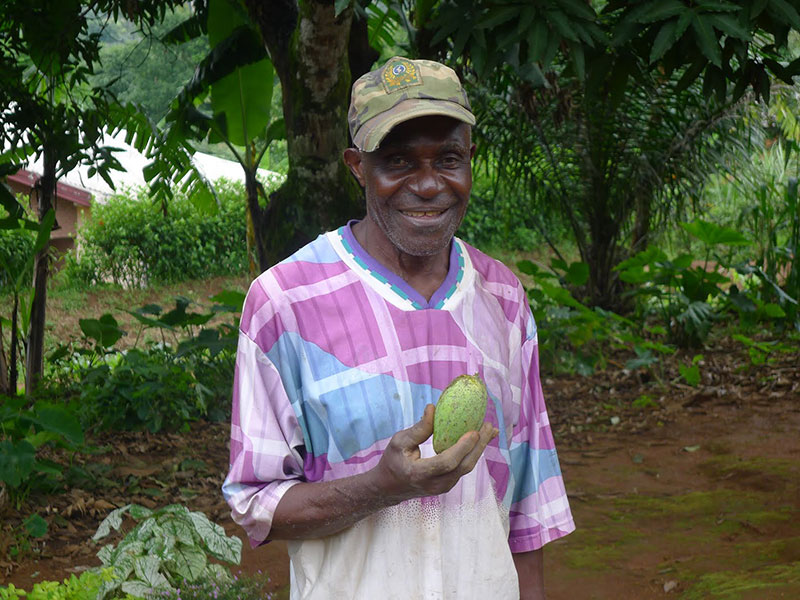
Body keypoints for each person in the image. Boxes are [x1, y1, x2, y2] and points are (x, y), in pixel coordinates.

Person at [222, 56, 575, 600]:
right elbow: (257, 507)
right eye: (399, 161)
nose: (429, 185)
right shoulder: (284, 303)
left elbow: (527, 513)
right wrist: (379, 488)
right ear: (357, 166)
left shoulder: (503, 299)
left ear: (471, 160)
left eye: (449, 159)